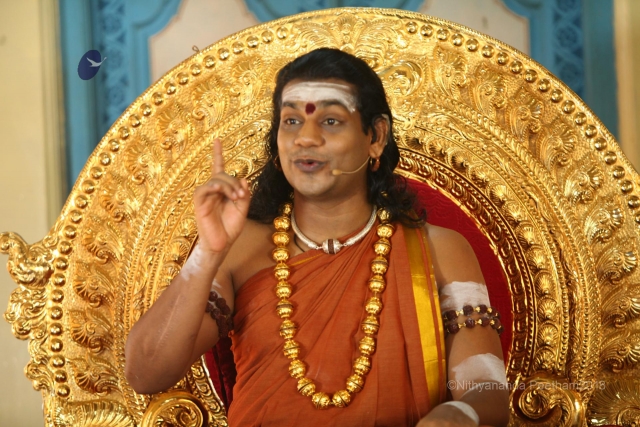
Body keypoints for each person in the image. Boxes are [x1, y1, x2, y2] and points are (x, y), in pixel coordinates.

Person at [125, 48, 509, 427]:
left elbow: (486, 391)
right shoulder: (240, 249)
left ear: (376, 136)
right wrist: (207, 253)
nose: (305, 138)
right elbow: (146, 374)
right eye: (292, 121)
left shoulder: (438, 250)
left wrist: (460, 414)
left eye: (330, 120)